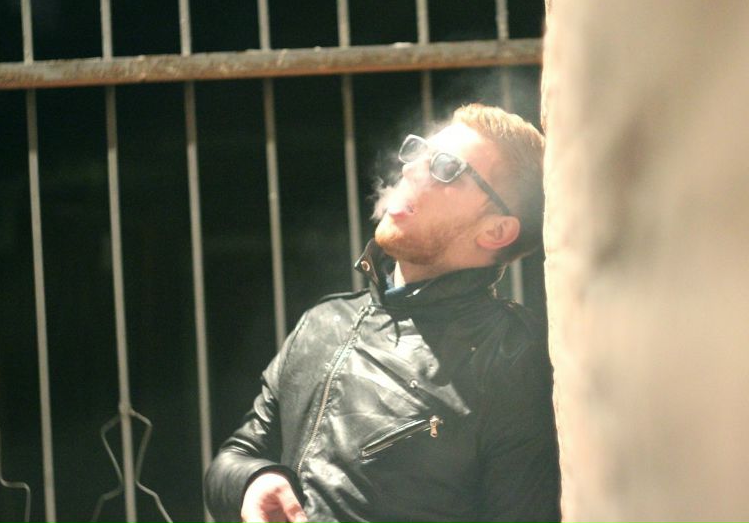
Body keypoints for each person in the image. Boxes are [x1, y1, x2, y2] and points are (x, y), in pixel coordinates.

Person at [204, 103, 560, 523]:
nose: (411, 169)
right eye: (418, 152)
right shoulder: (325, 323)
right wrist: (253, 481)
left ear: (496, 230)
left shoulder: (512, 356)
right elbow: (237, 455)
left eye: (446, 168)